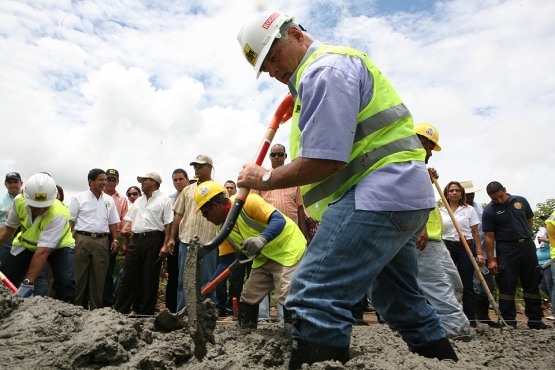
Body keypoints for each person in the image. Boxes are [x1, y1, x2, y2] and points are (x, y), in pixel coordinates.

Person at [237, 11, 457, 367]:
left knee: (313, 293)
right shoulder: (324, 73)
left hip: (378, 194)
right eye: (265, 69)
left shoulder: (325, 71)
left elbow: (326, 161)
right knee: (398, 300)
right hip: (400, 196)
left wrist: (263, 179)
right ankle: (445, 362)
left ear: (295, 34)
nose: (273, 72)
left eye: (274, 57)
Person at [194, 180, 306, 329]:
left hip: (288, 250)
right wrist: (208, 288)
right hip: (264, 259)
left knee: (287, 293)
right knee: (248, 297)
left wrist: (262, 239)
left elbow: (278, 220)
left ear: (215, 206)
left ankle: (295, 337)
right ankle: (247, 335)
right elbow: (226, 262)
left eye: (205, 213)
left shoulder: (248, 201)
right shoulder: (223, 231)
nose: (206, 218)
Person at [414, 123, 470, 338]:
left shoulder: (421, 169)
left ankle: (452, 324)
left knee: (454, 284)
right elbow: (411, 200)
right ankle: (455, 330)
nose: (430, 152)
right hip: (423, 240)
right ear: (418, 141)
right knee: (439, 286)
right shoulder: (410, 166)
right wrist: (420, 228)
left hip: (437, 241)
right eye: (428, 145)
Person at [252, 143, 307, 323]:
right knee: (261, 275)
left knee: (288, 277)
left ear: (285, 156)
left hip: (291, 239)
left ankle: (286, 318)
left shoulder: (294, 179)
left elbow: (300, 208)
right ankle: (261, 317)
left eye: (279, 154)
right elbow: (252, 205)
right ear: (270, 156)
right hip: (267, 236)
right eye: (273, 154)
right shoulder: (261, 178)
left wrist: (303, 234)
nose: (276, 157)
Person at [0, 173, 76, 302]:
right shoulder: (19, 201)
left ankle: (67, 316)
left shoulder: (58, 214)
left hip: (59, 247)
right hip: (27, 244)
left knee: (65, 282)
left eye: (44, 206)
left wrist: (27, 283)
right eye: (35, 206)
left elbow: (43, 251)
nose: (39, 210)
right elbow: (8, 228)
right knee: (7, 276)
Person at [482, 181, 548, 329]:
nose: (498, 200)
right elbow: (489, 236)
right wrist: (491, 260)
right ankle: (508, 321)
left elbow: (529, 220)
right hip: (506, 248)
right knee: (507, 283)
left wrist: (522, 235)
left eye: (500, 196)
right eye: (494, 199)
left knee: (532, 281)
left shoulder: (521, 201)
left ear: (505, 190)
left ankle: (536, 320)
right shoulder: (489, 211)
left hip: (527, 246)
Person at [115, 172, 173, 316]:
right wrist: (126, 235)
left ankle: (146, 312)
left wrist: (165, 245)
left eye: (144, 180)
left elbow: (168, 224)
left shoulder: (164, 200)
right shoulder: (139, 201)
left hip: (154, 238)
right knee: (128, 275)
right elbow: (129, 219)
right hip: (137, 239)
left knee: (150, 276)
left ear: (154, 182)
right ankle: (120, 310)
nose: (142, 183)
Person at [166, 155, 218, 311]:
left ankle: (207, 314)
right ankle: (183, 314)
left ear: (210, 167)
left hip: (209, 242)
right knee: (184, 280)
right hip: (186, 241)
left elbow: (224, 216)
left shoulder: (218, 189)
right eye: (195, 165)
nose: (196, 168)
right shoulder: (187, 190)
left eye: (200, 166)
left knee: (207, 281)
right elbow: (178, 214)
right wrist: (171, 239)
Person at [69, 169, 120, 310]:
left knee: (99, 278)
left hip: (102, 241)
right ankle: (76, 309)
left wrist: (115, 240)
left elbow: (113, 222)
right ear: (90, 182)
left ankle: (97, 312)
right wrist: (69, 240)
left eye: (105, 180)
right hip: (81, 239)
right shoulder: (78, 198)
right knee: (78, 277)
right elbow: (71, 221)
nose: (104, 182)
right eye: (101, 180)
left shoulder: (109, 200)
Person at [440, 181, 485, 328]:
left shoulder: (469, 210)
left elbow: (476, 233)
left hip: (465, 246)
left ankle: (470, 318)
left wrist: (479, 253)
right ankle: (450, 318)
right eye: (451, 191)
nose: (454, 193)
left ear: (461, 194)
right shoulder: (440, 210)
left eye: (457, 191)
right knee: (448, 282)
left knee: (467, 283)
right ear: (446, 193)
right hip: (446, 246)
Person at [461, 180, 500, 327]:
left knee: (487, 284)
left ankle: (483, 316)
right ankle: (472, 317)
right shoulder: (457, 209)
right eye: (467, 193)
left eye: (471, 193)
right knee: (472, 285)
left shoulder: (479, 208)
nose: (470, 196)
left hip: (484, 253)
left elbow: (485, 233)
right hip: (466, 252)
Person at [101, 169, 128, 308]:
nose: (111, 183)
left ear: (117, 182)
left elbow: (123, 221)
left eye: (114, 180)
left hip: (113, 237)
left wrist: (122, 241)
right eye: (108, 179)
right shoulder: (97, 195)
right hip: (97, 235)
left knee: (109, 270)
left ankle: (106, 301)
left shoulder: (122, 199)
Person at [166, 168, 189, 313]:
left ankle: (188, 309)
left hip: (190, 241)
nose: (178, 182)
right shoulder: (169, 199)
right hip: (175, 241)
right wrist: (169, 240)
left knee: (189, 276)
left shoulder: (194, 195)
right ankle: (171, 310)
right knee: (174, 276)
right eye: (175, 179)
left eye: (181, 179)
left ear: (186, 179)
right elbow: (168, 222)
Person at [0, 172, 23, 263]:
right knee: (4, 268)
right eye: (9, 182)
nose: (13, 185)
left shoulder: (29, 198)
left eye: (15, 182)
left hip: (24, 239)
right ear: (5, 184)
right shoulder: (1, 200)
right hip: (5, 239)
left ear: (21, 183)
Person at [536, 214, 554, 320]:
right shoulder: (542, 231)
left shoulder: (551, 232)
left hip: (549, 262)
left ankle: (554, 312)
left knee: (550, 286)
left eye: (546, 219)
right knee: (542, 286)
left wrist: (547, 240)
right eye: (543, 220)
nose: (544, 222)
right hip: (540, 263)